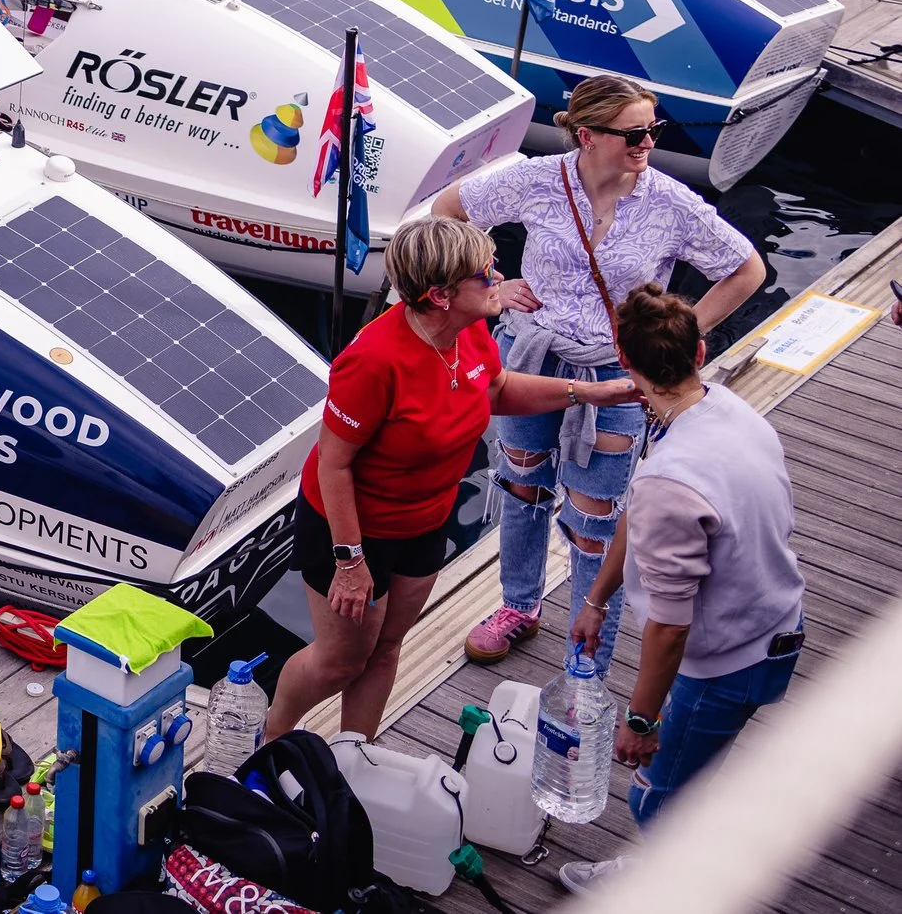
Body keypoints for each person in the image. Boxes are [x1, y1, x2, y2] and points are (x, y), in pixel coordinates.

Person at [432, 75, 764, 673]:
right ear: (587, 136)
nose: (647, 143)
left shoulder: (669, 201)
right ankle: (519, 606)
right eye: (635, 133)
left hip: (616, 374)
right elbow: (448, 211)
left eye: (653, 131)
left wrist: (680, 328)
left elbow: (746, 270)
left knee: (594, 519)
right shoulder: (536, 180)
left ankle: (589, 652)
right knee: (522, 486)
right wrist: (493, 286)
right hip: (531, 357)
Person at [263, 217, 635, 740]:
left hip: (424, 522)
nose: (497, 277)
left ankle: (353, 758)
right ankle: (270, 741)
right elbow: (333, 464)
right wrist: (351, 562)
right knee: (340, 661)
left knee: (387, 648)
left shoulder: (470, 328)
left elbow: (497, 389)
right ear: (440, 295)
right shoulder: (373, 361)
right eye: (484, 274)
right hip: (352, 532)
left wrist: (587, 392)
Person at [554, 287, 807, 891]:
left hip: (723, 664)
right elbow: (641, 507)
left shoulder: (673, 478)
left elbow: (669, 628)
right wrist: (597, 598)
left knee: (658, 800)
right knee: (694, 773)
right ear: (699, 350)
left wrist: (640, 722)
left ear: (627, 366)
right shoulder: (726, 410)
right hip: (775, 627)